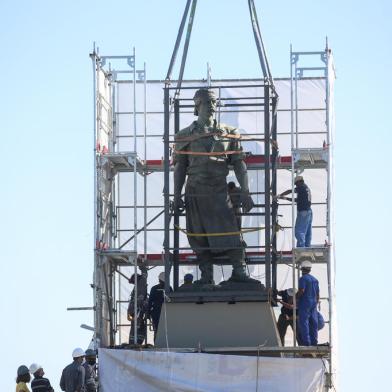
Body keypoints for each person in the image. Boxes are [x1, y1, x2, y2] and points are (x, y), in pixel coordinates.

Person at [173, 88, 254, 284]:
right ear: (197, 105)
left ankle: (239, 271)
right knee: (198, 235)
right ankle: (206, 276)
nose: (212, 106)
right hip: (195, 191)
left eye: (214, 102)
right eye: (208, 102)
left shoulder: (229, 133)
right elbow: (180, 167)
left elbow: (238, 163)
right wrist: (176, 196)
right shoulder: (184, 136)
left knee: (230, 232)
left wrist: (245, 191)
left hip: (219, 190)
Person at [278, 175, 312, 247]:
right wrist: (285, 198)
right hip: (309, 211)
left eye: (296, 184)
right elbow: (297, 200)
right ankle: (307, 246)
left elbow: (290, 191)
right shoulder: (306, 188)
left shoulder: (302, 187)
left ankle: (301, 248)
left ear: (300, 182)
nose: (296, 186)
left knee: (299, 232)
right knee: (307, 232)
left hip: (304, 212)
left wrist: (280, 196)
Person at [297, 260, 320, 346]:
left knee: (304, 323)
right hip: (313, 303)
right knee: (314, 323)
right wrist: (316, 302)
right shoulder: (315, 280)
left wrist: (295, 298)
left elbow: (301, 290)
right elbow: (318, 294)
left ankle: (307, 343)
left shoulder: (303, 278)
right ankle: (314, 343)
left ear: (302, 269)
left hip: (305, 303)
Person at [147, 272, 172, 339]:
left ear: (159, 279)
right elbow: (171, 301)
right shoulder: (169, 288)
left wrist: (148, 313)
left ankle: (157, 344)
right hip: (166, 312)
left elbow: (150, 302)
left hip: (156, 312)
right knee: (165, 330)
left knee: (157, 330)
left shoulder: (154, 288)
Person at [127, 266, 148, 345]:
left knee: (137, 327)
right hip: (137, 311)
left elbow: (144, 275)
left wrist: (143, 267)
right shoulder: (139, 285)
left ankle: (134, 343)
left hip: (138, 311)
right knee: (137, 327)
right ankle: (134, 343)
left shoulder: (141, 283)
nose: (133, 283)